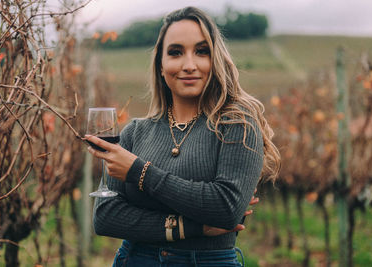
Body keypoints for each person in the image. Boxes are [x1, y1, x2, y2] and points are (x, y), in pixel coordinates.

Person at [86, 6, 280, 267]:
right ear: (161, 65)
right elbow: (106, 217)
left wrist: (139, 171)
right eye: (176, 53)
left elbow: (226, 209)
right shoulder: (135, 132)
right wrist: (191, 226)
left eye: (202, 51)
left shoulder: (237, 123)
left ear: (216, 60)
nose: (189, 65)